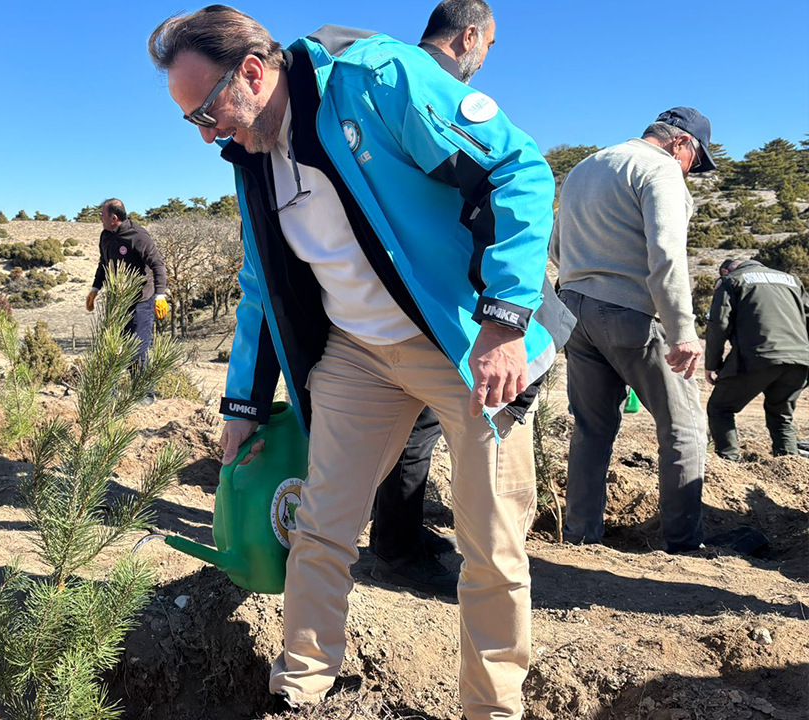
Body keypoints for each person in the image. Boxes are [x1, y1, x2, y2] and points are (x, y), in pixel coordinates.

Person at [148, 7, 572, 716]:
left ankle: (491, 708)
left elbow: (518, 171)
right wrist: (244, 408)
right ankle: (302, 686)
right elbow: (259, 286)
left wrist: (503, 320)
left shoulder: (376, 81)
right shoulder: (251, 157)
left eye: (207, 110)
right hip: (359, 355)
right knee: (322, 523)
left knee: (491, 544)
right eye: (193, 120)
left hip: (464, 341)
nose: (208, 132)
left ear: (253, 71)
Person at [369, 0, 526, 596]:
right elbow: (516, 171)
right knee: (434, 430)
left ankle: (397, 536)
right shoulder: (420, 83)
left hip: (391, 308)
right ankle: (400, 547)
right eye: (488, 46)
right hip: (435, 306)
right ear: (468, 37)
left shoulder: (385, 84)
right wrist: (505, 314)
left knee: (415, 431)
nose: (485, 60)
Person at [551, 107, 717, 553]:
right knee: (684, 425)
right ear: (680, 142)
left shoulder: (586, 167)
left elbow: (556, 246)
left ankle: (581, 535)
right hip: (628, 313)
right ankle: (683, 543)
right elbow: (666, 256)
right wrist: (683, 330)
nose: (692, 173)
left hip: (574, 312)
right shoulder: (660, 171)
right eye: (695, 161)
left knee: (591, 428)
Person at [705, 257, 809, 459]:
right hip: (799, 360)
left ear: (725, 272)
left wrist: (713, 364)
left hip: (755, 357)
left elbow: (718, 325)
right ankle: (789, 466)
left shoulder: (731, 281)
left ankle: (729, 463)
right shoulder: (791, 280)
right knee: (781, 415)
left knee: (720, 408)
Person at [86, 198, 168, 401]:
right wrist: (95, 289)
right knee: (111, 346)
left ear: (114, 218)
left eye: (102, 215)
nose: (100, 219)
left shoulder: (138, 236)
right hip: (116, 301)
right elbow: (103, 264)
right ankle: (108, 395)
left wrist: (160, 295)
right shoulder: (106, 236)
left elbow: (158, 265)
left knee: (137, 349)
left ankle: (144, 396)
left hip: (141, 301)